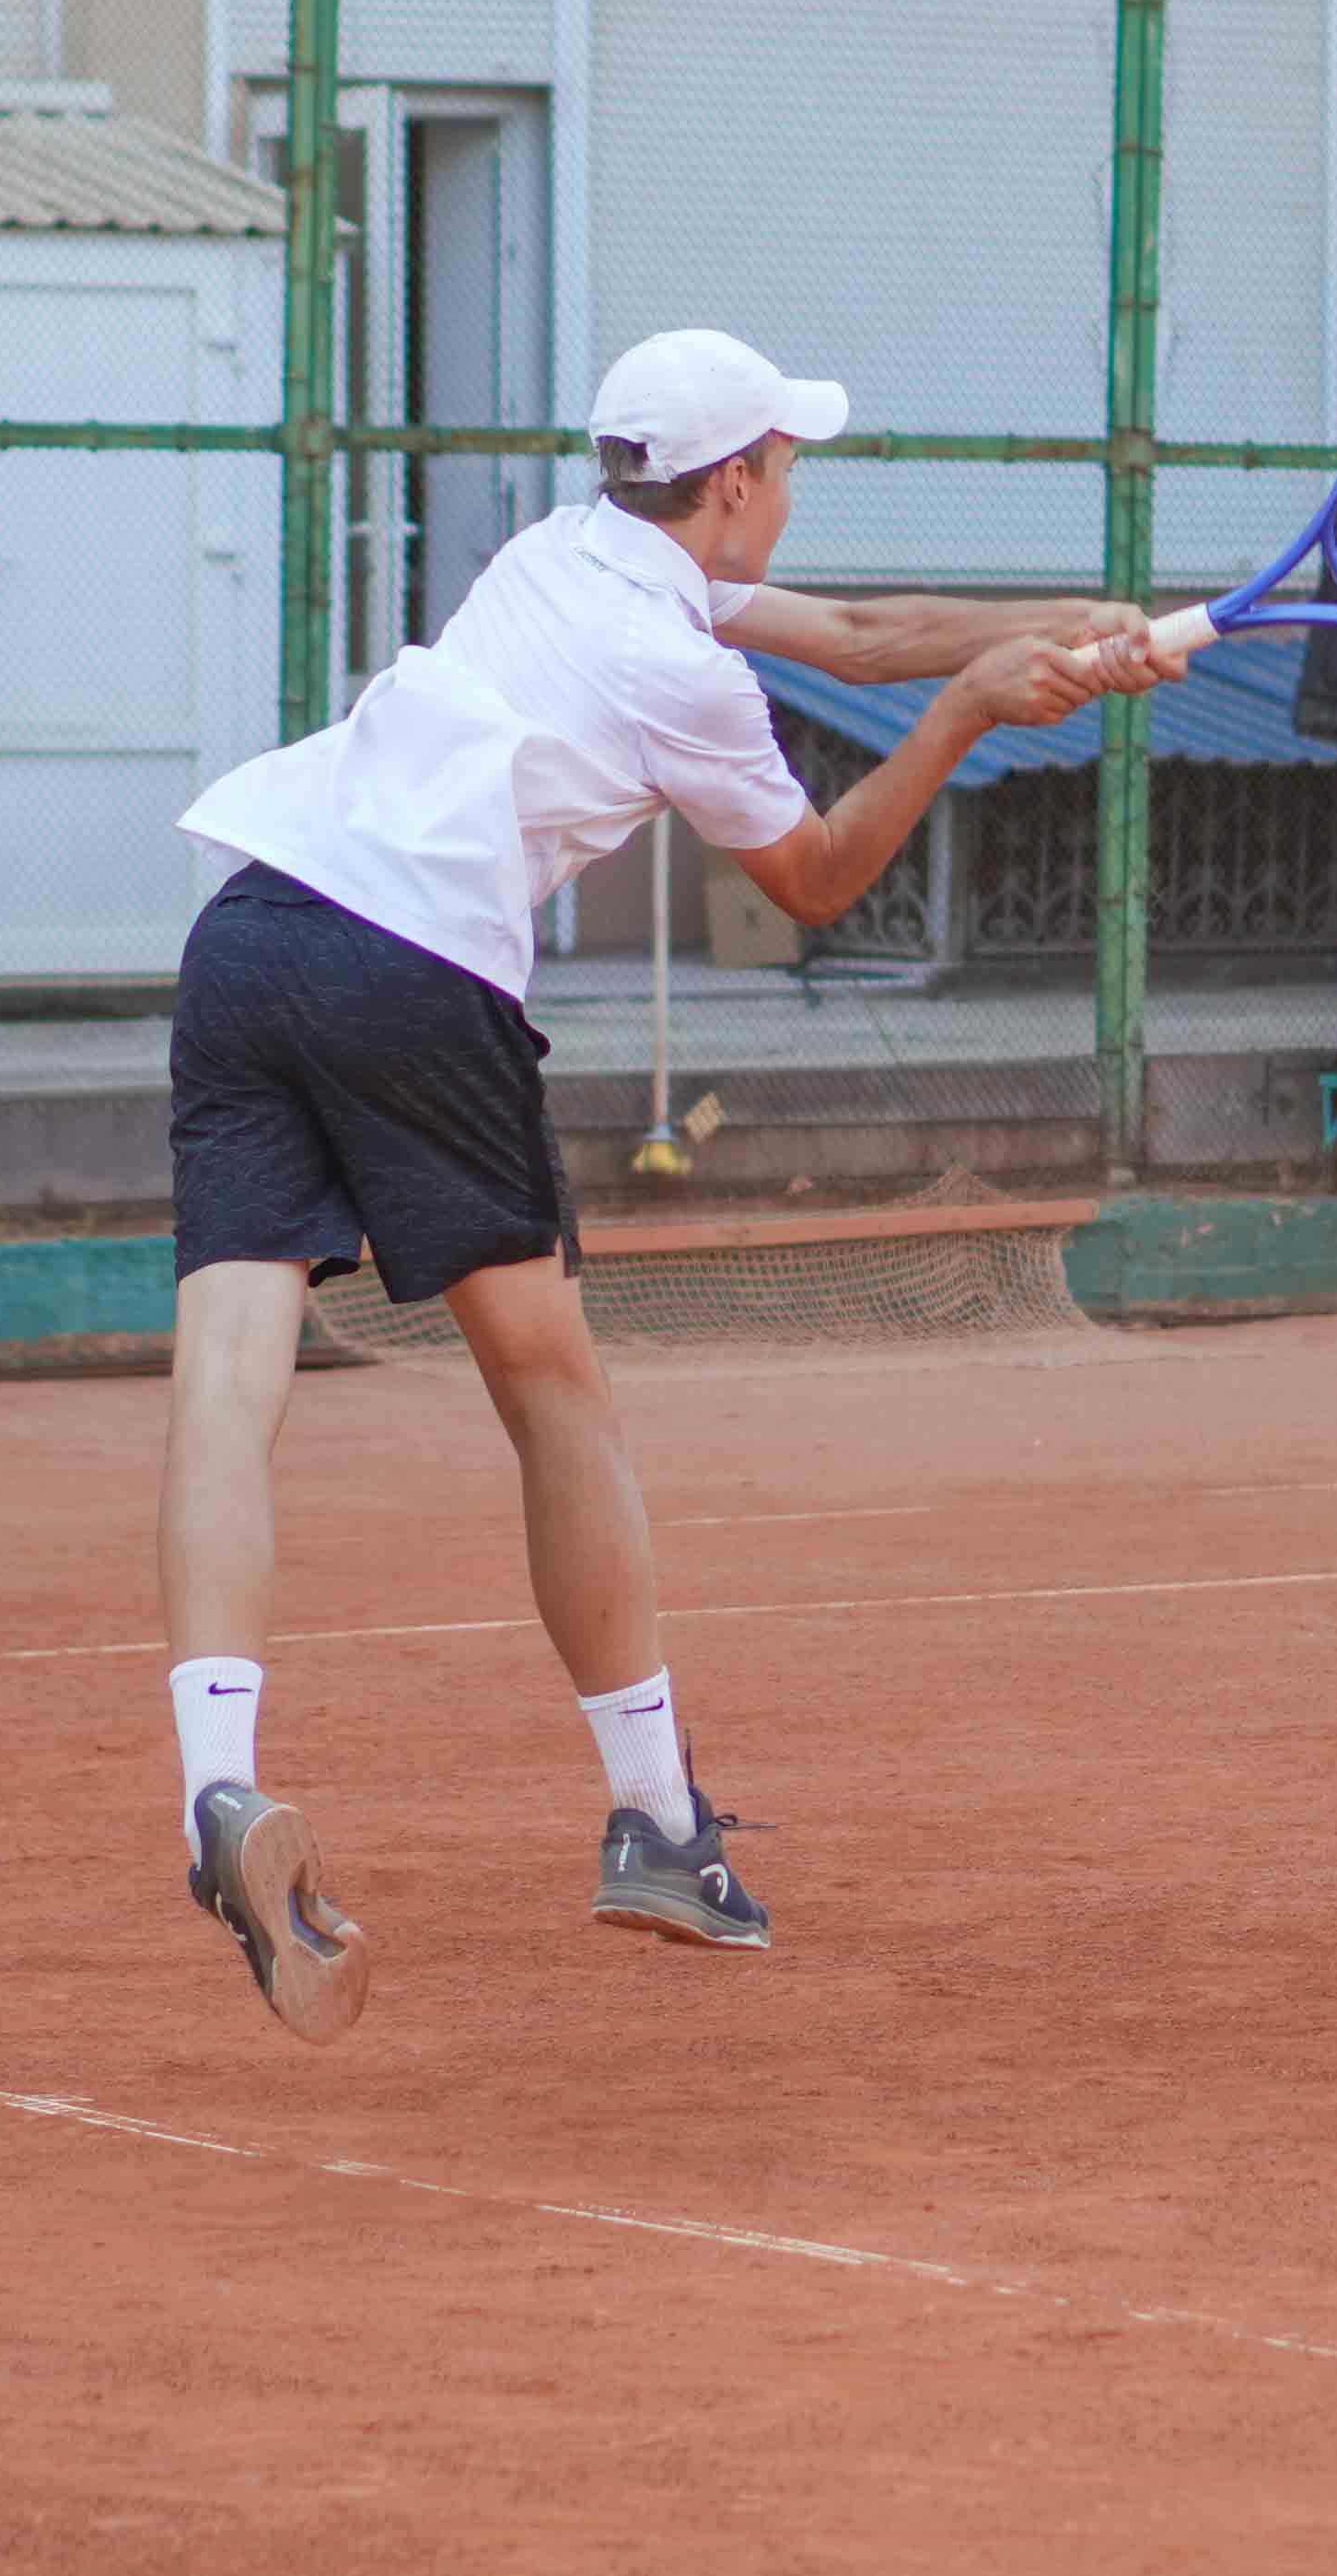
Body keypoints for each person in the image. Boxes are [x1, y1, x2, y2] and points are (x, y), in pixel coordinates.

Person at [151, 327, 1182, 2040]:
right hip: (412, 971)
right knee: (553, 1393)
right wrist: (964, 714)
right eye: (787, 463)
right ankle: (655, 1822)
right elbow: (817, 875)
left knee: (226, 1382)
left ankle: (216, 1786)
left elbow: (858, 633)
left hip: (250, 931)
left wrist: (1077, 624)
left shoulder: (560, 552)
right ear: (735, 481)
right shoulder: (678, 675)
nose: (793, 488)